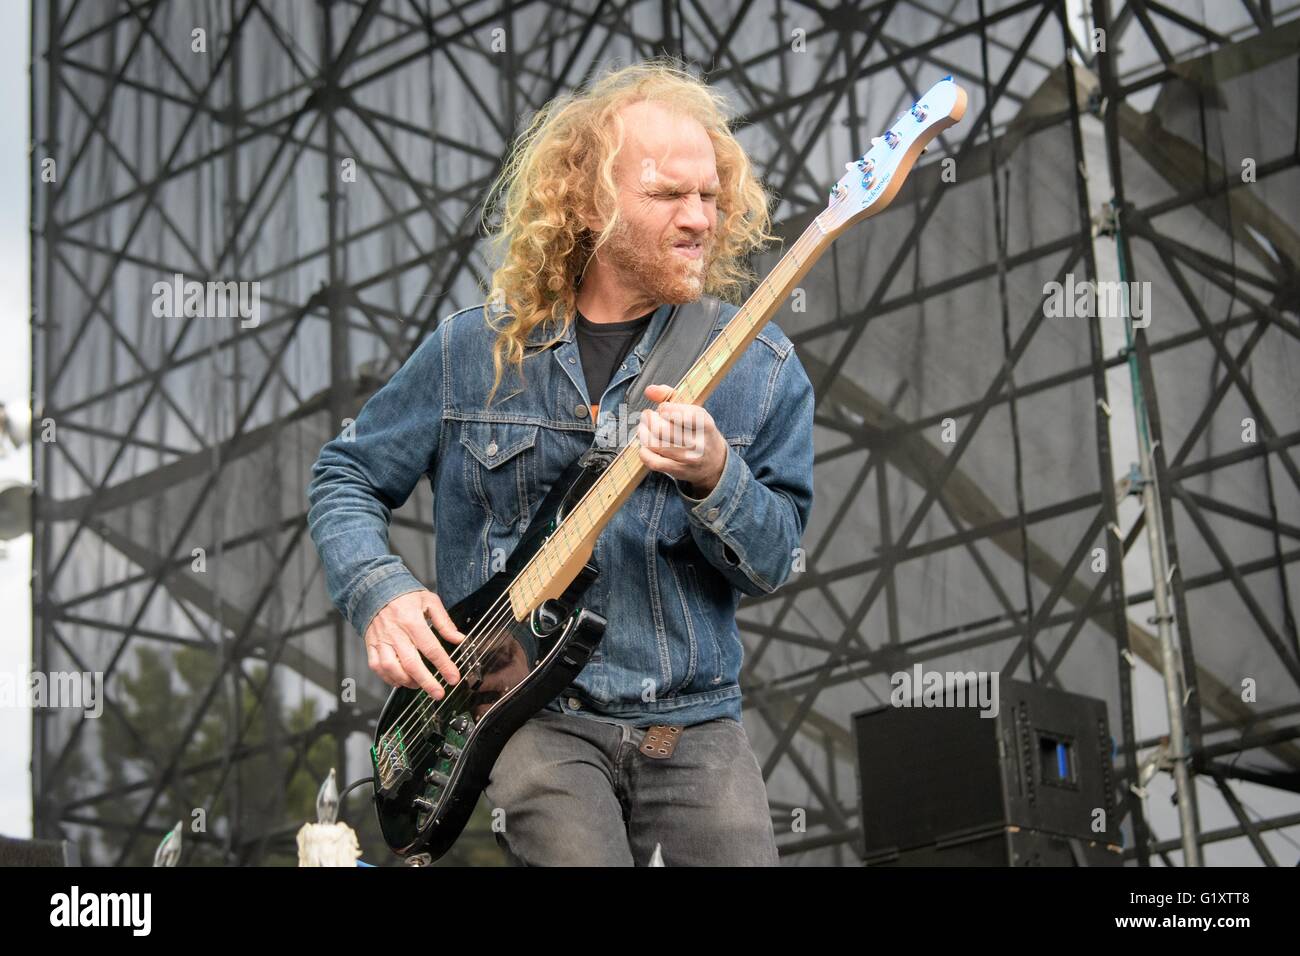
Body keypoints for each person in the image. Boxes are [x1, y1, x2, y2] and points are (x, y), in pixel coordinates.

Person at [307, 59, 815, 866]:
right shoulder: (473, 351)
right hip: (530, 715)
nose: (700, 219)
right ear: (586, 204)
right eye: (667, 196)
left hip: (693, 720)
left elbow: (775, 559)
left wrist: (718, 474)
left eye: (711, 195)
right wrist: (381, 594)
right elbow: (346, 477)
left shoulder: (761, 364)